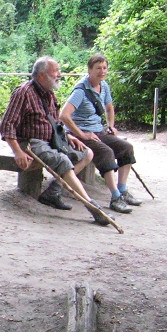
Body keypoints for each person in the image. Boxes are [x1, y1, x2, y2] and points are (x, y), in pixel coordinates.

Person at [0, 56, 113, 226]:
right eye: (56, 71)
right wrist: (18, 151)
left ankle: (54, 191)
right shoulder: (23, 92)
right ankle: (92, 207)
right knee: (63, 160)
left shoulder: (49, 93)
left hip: (51, 139)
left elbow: (55, 122)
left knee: (86, 153)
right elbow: (7, 125)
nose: (60, 74)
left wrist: (68, 137)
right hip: (31, 143)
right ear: (42, 75)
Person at [59, 53, 143, 213]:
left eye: (104, 68)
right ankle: (115, 197)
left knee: (126, 147)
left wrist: (111, 126)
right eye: (98, 68)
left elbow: (109, 107)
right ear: (89, 70)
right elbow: (63, 115)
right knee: (106, 152)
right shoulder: (81, 91)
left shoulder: (104, 86)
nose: (102, 71)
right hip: (80, 134)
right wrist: (83, 135)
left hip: (99, 131)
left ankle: (123, 190)